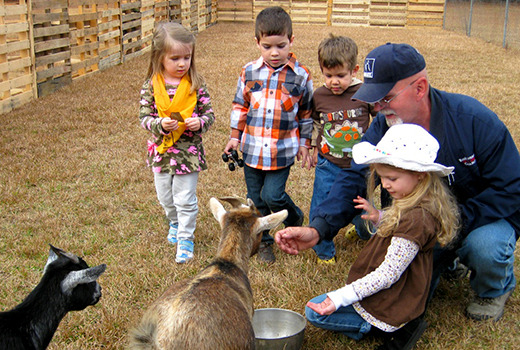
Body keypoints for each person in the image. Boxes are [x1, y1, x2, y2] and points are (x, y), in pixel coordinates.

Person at [276, 43, 520, 322]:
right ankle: (445, 260)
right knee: (397, 290)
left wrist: (451, 227)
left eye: (387, 97)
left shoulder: (474, 122)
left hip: (476, 218)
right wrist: (320, 228)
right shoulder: (384, 125)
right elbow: (356, 175)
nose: (378, 107)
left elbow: (511, 189)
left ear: (420, 88)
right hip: (418, 224)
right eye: (374, 98)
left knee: (485, 247)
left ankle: (493, 289)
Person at [305, 123, 459, 349]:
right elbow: (399, 224)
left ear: (419, 175)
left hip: (392, 300)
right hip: (391, 292)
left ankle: (384, 327)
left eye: (392, 179)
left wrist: (340, 297)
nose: (385, 185)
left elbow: (387, 274)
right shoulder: (416, 201)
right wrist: (379, 217)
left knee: (314, 312)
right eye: (382, 177)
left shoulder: (418, 219)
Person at [223, 6, 313, 263]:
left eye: (281, 46)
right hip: (251, 149)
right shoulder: (248, 72)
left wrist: (305, 143)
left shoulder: (301, 76)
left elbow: (306, 113)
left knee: (272, 195)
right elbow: (240, 105)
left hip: (281, 151)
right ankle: (264, 243)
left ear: (291, 41)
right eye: (267, 46)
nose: (274, 53)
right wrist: (234, 136)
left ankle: (294, 216)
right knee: (256, 201)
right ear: (258, 43)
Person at [139, 22, 215, 264]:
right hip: (162, 152)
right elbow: (144, 118)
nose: (182, 64)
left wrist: (199, 123)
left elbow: (209, 115)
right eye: (175, 58)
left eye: (187, 57)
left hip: (188, 154)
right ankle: (174, 222)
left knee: (185, 198)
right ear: (159, 57)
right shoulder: (151, 86)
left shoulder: (195, 85)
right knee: (165, 198)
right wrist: (159, 124)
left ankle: (185, 238)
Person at [309, 34, 376, 264]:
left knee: (362, 205)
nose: (334, 82)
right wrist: (312, 145)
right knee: (322, 204)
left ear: (354, 70)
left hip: (360, 166)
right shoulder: (319, 96)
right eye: (328, 75)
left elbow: (379, 122)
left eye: (340, 75)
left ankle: (362, 231)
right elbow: (315, 122)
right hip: (329, 163)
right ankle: (324, 251)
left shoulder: (366, 94)